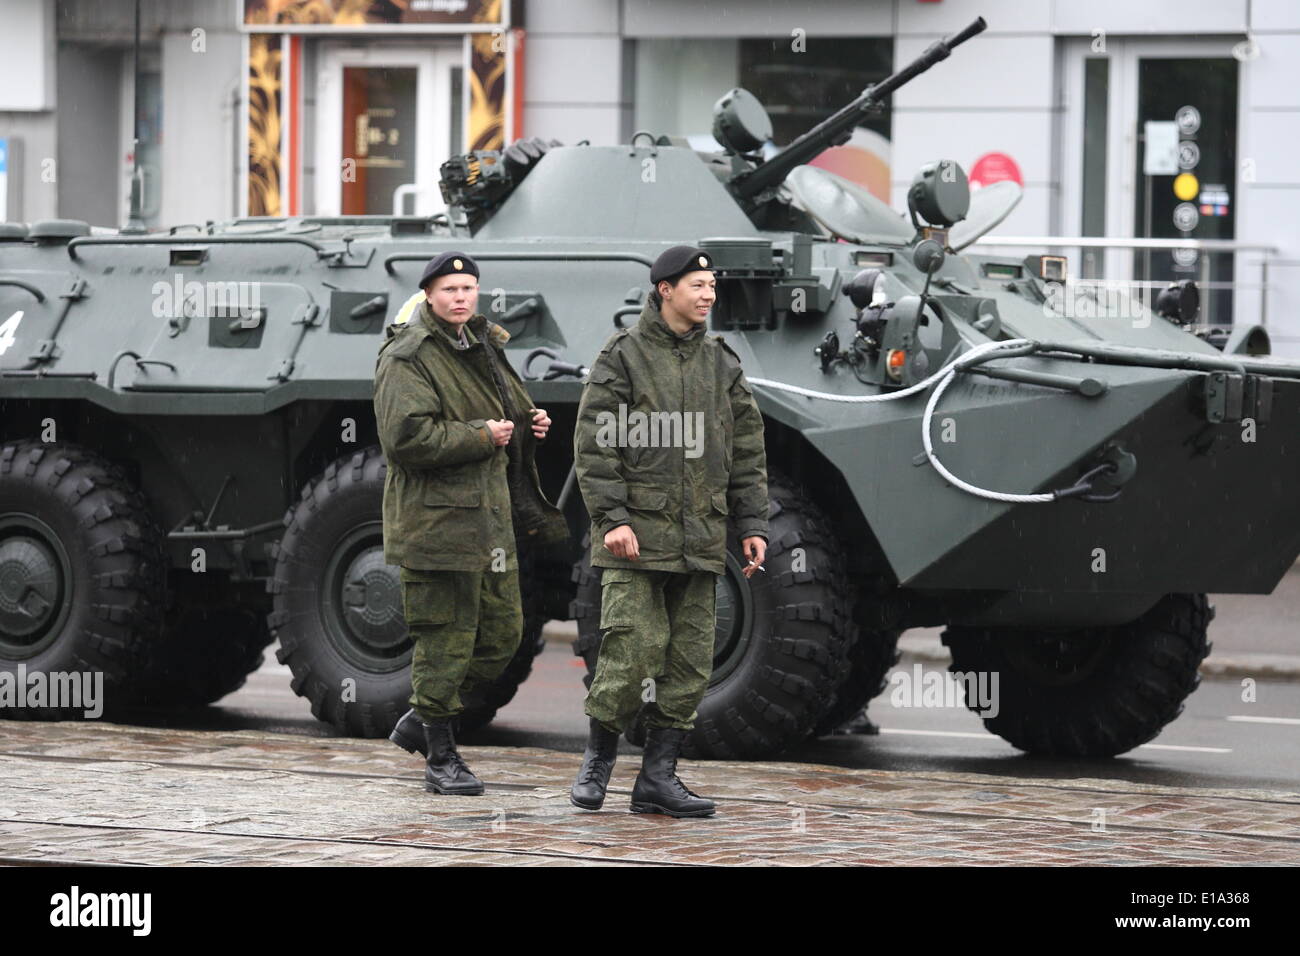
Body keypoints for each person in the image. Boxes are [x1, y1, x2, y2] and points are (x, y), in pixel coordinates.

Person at [570, 245, 769, 817]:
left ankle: (657, 779)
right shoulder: (624, 357)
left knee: (688, 664)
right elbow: (595, 445)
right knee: (631, 653)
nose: (708, 294)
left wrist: (751, 521)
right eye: (696, 284)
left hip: (701, 540)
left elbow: (747, 450)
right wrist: (613, 519)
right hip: (635, 538)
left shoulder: (721, 363)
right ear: (665, 290)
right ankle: (598, 761)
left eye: (711, 285)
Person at [373, 251, 566, 795]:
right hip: (436, 526)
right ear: (429, 295)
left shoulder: (481, 343)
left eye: (468, 287)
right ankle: (440, 756)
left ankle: (421, 720)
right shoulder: (409, 355)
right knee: (446, 638)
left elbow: (508, 410)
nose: (461, 297)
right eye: (450, 289)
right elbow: (405, 438)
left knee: (503, 635)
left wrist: (532, 422)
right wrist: (482, 436)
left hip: (489, 520)